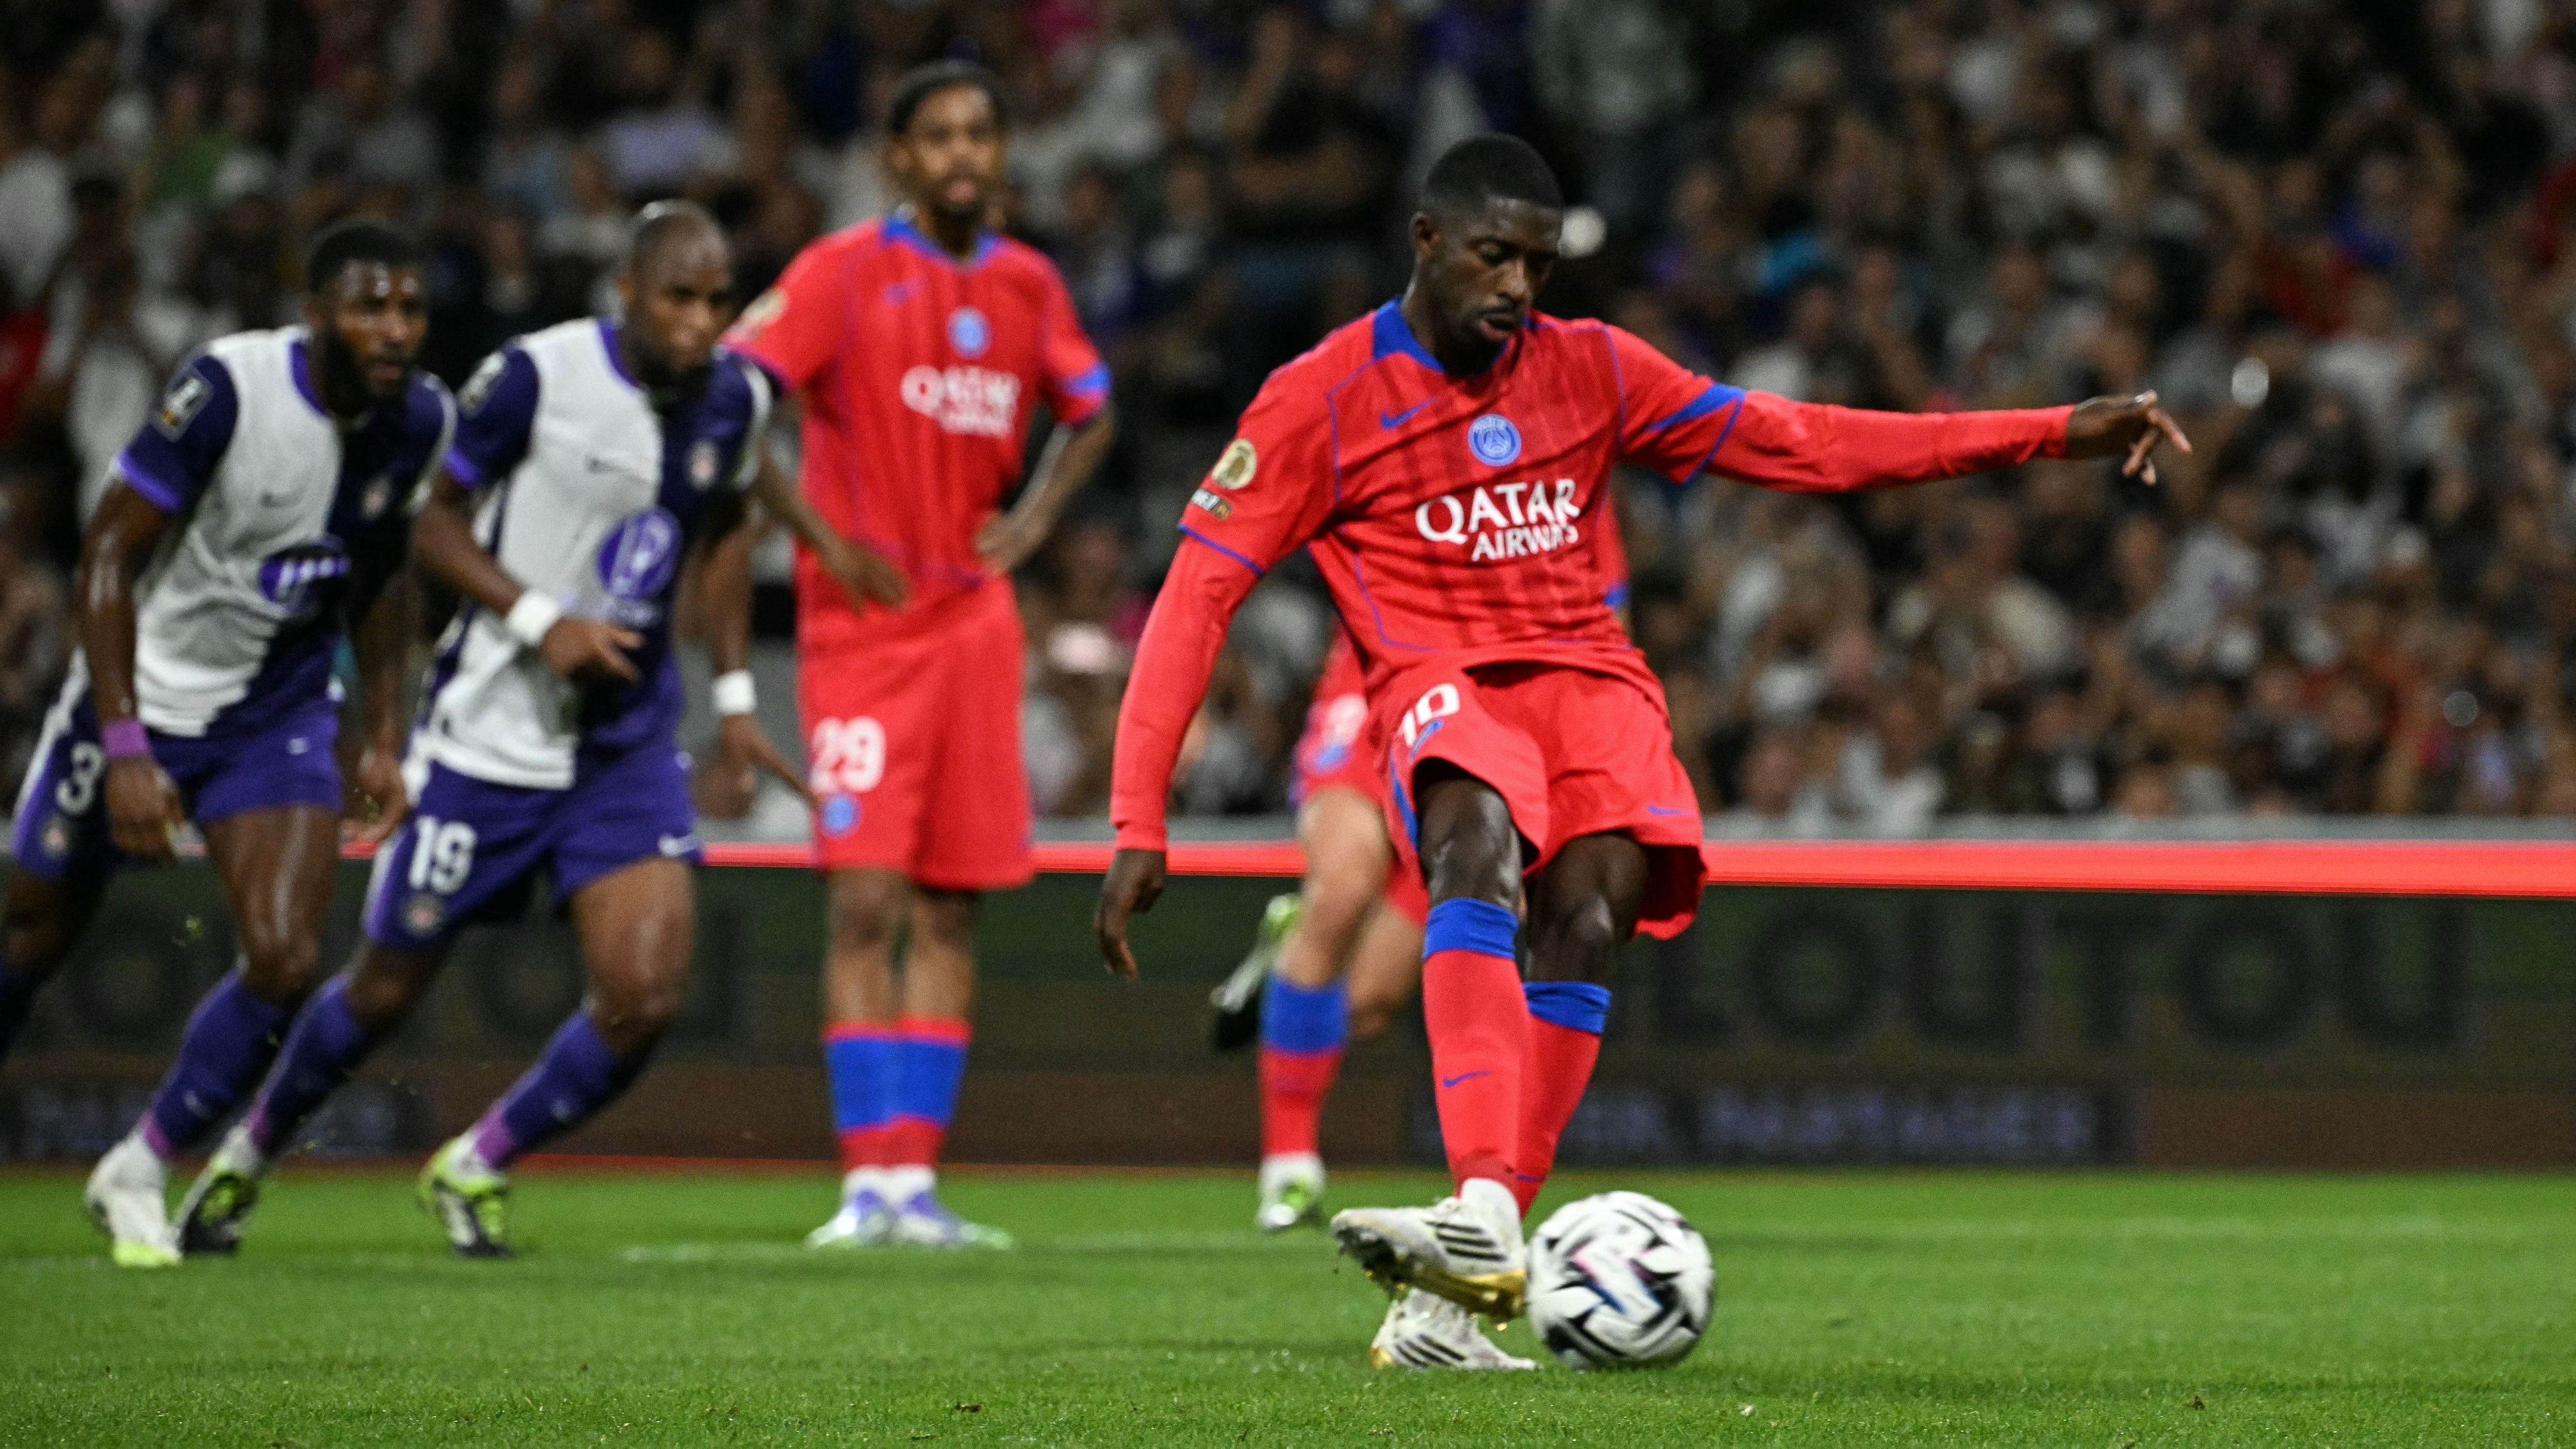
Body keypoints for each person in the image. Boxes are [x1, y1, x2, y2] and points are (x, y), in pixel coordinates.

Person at [1093, 134, 2188, 1368]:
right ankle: (1481, 1209)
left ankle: (1455, 1292)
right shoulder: (1319, 396)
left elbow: (1803, 440)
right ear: (1428, 242)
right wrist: (1142, 817)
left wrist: (2046, 433)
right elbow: (1195, 596)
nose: (1517, 287)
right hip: (1444, 682)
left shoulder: (1593, 368)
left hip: (1593, 678)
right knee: (1475, 844)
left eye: (1539, 265)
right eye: (1495, 256)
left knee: (1593, 916)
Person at [169, 203, 890, 1259]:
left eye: (717, 301)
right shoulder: (535, 379)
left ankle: (476, 1162)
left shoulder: (736, 398)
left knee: (644, 996)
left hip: (624, 747)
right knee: (382, 988)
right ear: (629, 293)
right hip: (489, 740)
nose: (701, 322)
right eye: (679, 298)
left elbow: (729, 525)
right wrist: (540, 620)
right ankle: (250, 1154)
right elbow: (428, 520)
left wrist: (733, 700)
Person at [0, 222, 450, 1267]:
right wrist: (122, 744)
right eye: (370, 307)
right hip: (141, 690)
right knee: (32, 933)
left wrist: (384, 736)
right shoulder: (231, 392)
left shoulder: (421, 418)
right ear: (317, 314)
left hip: (274, 707)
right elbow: (107, 553)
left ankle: (140, 1164)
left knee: (289, 956)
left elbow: (385, 581)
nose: (395, 330)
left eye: (411, 310)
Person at [725, 61, 1117, 1249]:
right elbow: (732, 397)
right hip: (861, 634)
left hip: (975, 628)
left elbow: (1091, 408)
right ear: (898, 157)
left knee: (952, 908)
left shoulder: (1027, 283)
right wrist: (815, 536)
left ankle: (913, 1184)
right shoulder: (841, 273)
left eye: (981, 134)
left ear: (1001, 153)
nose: (963, 153)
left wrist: (1039, 521)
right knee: (864, 899)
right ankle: (861, 1183)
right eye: (939, 135)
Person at [1218, 492, 1630, 1236]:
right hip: (1380, 686)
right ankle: (1289, 1167)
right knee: (1344, 886)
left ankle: (1289, 963)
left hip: (1492, 730)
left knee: (1372, 1002)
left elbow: (1608, 625)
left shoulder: (1578, 483)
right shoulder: (1423, 430)